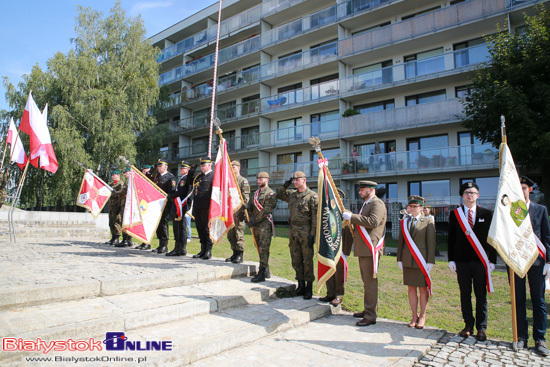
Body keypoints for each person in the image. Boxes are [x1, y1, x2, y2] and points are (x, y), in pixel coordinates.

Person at [448, 182, 496, 341]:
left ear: (478, 195)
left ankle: (481, 328)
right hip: (461, 261)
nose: (470, 195)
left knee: (481, 295)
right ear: (462, 195)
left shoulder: (487, 213)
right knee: (465, 294)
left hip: (480, 261)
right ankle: (468, 325)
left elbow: (491, 239)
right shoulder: (455, 214)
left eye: (473, 192)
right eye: (467, 192)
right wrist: (451, 259)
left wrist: (492, 260)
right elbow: (451, 237)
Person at [513, 176, 550, 355]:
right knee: (518, 300)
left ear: (530, 190)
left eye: (524, 188)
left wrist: (548, 261)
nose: (521, 191)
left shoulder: (540, 209)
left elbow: (547, 237)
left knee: (538, 300)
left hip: (536, 262)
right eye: (518, 188)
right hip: (517, 262)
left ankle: (540, 339)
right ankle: (521, 337)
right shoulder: (510, 212)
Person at [342, 180, 387, 327]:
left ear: (371, 190)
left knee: (370, 283)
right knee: (366, 282)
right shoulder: (367, 204)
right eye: (359, 189)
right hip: (364, 248)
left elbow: (373, 222)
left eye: (362, 189)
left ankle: (370, 315)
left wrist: (352, 217)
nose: (359, 192)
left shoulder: (377, 204)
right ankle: (368, 309)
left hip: (370, 248)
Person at [397, 195, 436, 329]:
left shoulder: (428, 221)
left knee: (423, 289)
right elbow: (401, 242)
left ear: (421, 208)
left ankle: (422, 316)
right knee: (411, 288)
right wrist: (399, 259)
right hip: (408, 260)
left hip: (421, 260)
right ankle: (414, 316)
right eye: (410, 206)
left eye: (415, 206)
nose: (412, 209)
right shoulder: (405, 221)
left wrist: (430, 261)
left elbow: (431, 243)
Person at [277, 171, 318, 299]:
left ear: (304, 180)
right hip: (293, 231)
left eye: (297, 180)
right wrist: (285, 185)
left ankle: (309, 288)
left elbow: (315, 218)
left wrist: (312, 235)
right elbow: (279, 195)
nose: (295, 182)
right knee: (296, 259)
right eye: (293, 181)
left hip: (306, 232)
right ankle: (300, 285)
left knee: (307, 260)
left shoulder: (312, 196)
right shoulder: (292, 195)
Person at [319, 188, 353, 306]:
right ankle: (330, 293)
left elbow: (349, 233)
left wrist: (346, 252)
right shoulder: (325, 213)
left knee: (339, 272)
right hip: (329, 247)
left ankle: (338, 294)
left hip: (341, 248)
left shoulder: (345, 213)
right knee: (329, 268)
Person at [246, 172, 277, 282]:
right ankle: (266, 269)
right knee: (258, 247)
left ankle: (262, 272)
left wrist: (254, 220)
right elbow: (251, 206)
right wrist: (246, 208)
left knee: (264, 249)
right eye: (258, 179)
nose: (259, 181)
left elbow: (266, 210)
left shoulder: (271, 194)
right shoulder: (256, 194)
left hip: (264, 226)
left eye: (261, 179)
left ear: (267, 180)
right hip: (256, 226)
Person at [226, 160, 250, 264]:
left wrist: (243, 210)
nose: (232, 168)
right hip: (229, 211)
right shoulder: (228, 180)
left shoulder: (242, 180)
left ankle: (240, 254)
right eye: (231, 167)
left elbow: (246, 197)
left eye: (234, 167)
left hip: (238, 211)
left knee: (238, 233)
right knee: (230, 234)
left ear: (239, 167)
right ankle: (234, 252)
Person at [166, 161, 192, 256]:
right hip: (179, 205)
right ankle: (181, 248)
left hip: (180, 205)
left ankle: (179, 248)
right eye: (180, 168)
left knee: (179, 227)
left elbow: (181, 192)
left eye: (183, 168)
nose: (181, 169)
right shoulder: (183, 178)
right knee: (180, 227)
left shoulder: (185, 179)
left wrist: (169, 196)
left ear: (187, 170)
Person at [192, 158, 214, 260]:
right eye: (201, 166)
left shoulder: (213, 176)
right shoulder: (199, 176)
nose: (201, 167)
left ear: (209, 165)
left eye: (203, 165)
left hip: (207, 207)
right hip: (197, 205)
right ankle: (202, 249)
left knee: (206, 228)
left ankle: (208, 250)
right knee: (199, 228)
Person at [152, 159, 176, 254]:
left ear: (165, 167)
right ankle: (160, 244)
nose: (158, 168)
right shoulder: (157, 176)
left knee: (163, 224)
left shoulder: (170, 177)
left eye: (160, 166)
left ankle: (164, 245)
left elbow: (172, 191)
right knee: (158, 225)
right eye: (158, 166)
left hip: (165, 204)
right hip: (156, 204)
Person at [116, 167, 134, 247]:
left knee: (126, 222)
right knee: (127, 222)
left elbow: (125, 191)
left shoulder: (129, 181)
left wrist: (117, 192)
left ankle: (126, 240)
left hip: (127, 204)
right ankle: (128, 240)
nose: (125, 174)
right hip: (126, 204)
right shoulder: (128, 181)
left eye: (126, 172)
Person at [105, 170, 124, 246]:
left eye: (114, 175)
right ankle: (113, 236)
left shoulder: (120, 184)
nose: (113, 176)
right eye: (112, 175)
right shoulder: (111, 184)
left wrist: (114, 193)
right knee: (111, 221)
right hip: (111, 205)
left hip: (117, 204)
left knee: (116, 221)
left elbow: (120, 193)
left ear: (118, 175)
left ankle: (117, 237)